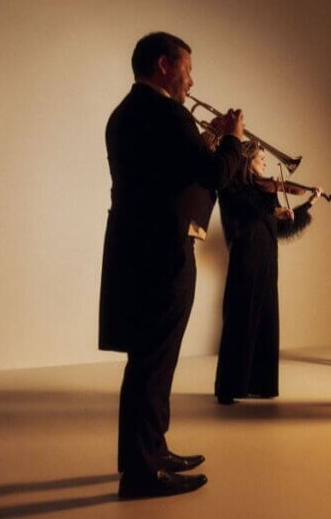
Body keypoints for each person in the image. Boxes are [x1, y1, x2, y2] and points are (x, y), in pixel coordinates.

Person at [98, 31, 246, 499]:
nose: (191, 80)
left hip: (139, 249)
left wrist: (207, 138)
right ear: (164, 65)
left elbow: (171, 169)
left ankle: (150, 452)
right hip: (163, 252)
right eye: (188, 69)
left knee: (150, 360)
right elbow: (213, 174)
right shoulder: (166, 113)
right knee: (154, 362)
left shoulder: (129, 112)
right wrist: (233, 141)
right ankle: (142, 472)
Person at [214, 142, 323, 405]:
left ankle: (261, 385)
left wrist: (307, 205)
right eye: (260, 158)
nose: (264, 162)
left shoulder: (268, 190)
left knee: (266, 321)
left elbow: (281, 229)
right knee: (241, 319)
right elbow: (245, 209)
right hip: (245, 260)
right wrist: (273, 210)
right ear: (246, 161)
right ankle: (230, 387)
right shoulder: (232, 187)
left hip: (267, 263)